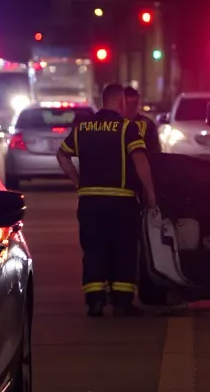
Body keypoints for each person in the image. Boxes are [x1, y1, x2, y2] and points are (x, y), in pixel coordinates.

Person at [57, 82, 158, 317]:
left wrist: (78, 181)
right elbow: (140, 160)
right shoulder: (127, 128)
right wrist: (150, 192)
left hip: (90, 202)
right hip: (121, 202)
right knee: (123, 251)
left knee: (94, 249)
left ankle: (95, 302)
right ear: (121, 102)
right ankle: (121, 302)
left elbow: (62, 155)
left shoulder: (83, 128)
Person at [124, 86, 162, 153]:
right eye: (128, 103)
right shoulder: (115, 124)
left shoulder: (148, 125)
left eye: (135, 103)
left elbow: (156, 152)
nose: (132, 107)